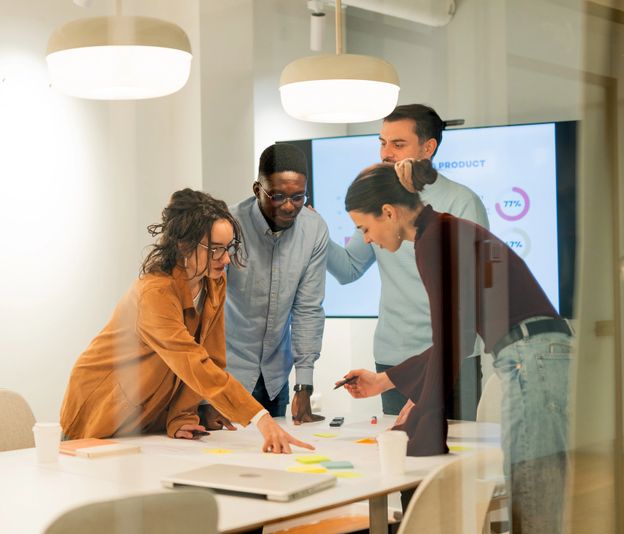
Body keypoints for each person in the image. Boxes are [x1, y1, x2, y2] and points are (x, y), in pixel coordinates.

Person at [339, 160, 572, 533]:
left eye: (364, 228)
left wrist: (421, 419)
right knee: (535, 495)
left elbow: (450, 338)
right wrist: (388, 381)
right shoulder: (444, 230)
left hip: (530, 357)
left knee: (533, 499)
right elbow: (457, 336)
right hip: (538, 353)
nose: (366, 238)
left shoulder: (433, 240)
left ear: (387, 212)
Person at [60, 189, 314, 454]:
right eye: (216, 249)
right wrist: (258, 417)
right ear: (184, 244)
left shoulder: (213, 281)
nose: (225, 259)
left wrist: (182, 416)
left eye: (229, 248)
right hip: (101, 410)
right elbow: (192, 361)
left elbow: (211, 356)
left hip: (144, 416)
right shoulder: (154, 294)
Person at [327, 104, 489, 420]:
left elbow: (473, 294)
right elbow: (348, 269)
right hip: (393, 355)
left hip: (454, 357)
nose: (386, 153)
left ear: (428, 148)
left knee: (454, 454)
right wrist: (310, 230)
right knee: (400, 451)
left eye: (398, 144)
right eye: (382, 142)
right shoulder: (378, 201)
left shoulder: (461, 203)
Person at [199, 144, 328, 430]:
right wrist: (204, 397)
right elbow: (204, 309)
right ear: (257, 188)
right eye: (278, 195)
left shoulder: (314, 229)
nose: (288, 205)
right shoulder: (228, 226)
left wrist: (303, 386)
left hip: (274, 379)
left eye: (298, 196)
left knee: (276, 462)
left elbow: (307, 309)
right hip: (225, 376)